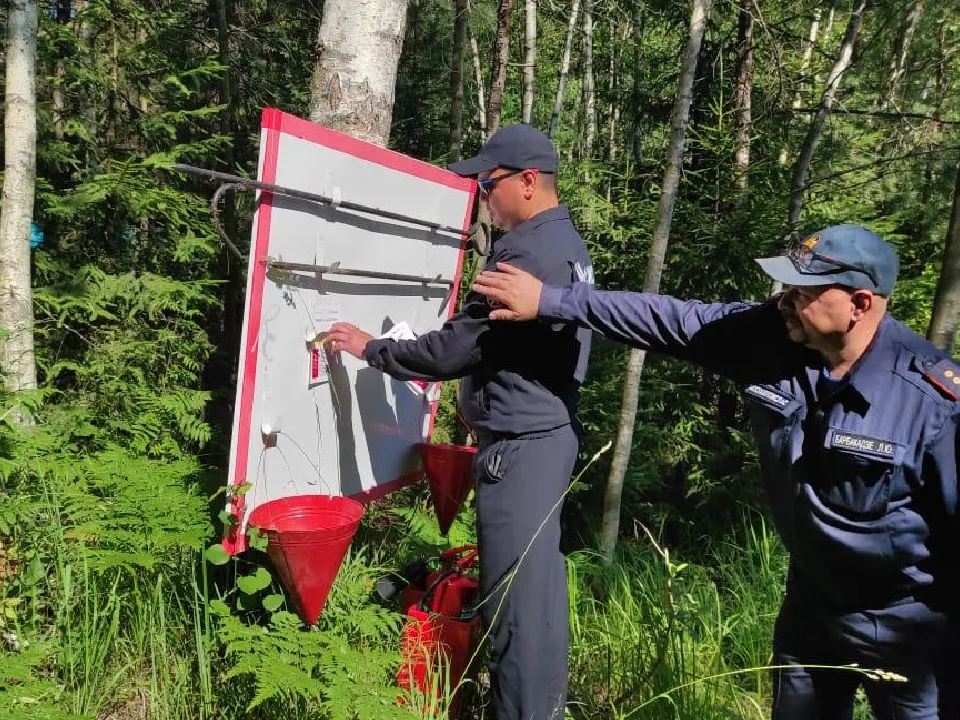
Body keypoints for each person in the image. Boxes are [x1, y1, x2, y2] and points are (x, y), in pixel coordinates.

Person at [472, 224, 959, 720]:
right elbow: (671, 320)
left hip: (908, 629)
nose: (784, 301)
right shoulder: (771, 340)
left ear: (860, 303)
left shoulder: (932, 406)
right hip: (811, 608)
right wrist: (553, 300)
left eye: (802, 292)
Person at [325, 123, 594, 720]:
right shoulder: (568, 245)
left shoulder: (524, 251)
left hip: (520, 452)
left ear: (527, 182)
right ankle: (543, 706)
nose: (482, 198)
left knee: (512, 608)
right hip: (548, 439)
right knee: (538, 593)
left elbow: (453, 351)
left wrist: (374, 348)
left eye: (489, 184)